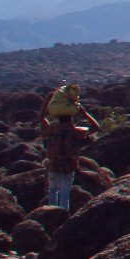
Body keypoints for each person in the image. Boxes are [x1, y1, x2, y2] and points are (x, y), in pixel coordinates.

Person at [41, 82, 88, 211]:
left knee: (52, 191)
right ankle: (63, 216)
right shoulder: (75, 131)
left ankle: (51, 215)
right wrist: (83, 112)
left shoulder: (53, 130)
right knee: (65, 195)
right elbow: (97, 128)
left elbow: (41, 119)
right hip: (69, 166)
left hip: (54, 165)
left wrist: (46, 102)